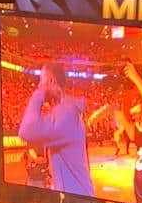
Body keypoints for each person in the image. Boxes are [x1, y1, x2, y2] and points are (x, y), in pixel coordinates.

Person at [16, 61, 94, 196]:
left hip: (76, 199)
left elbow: (26, 131)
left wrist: (39, 94)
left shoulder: (66, 112)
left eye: (41, 81)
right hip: (76, 196)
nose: (39, 85)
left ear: (51, 81)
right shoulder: (65, 109)